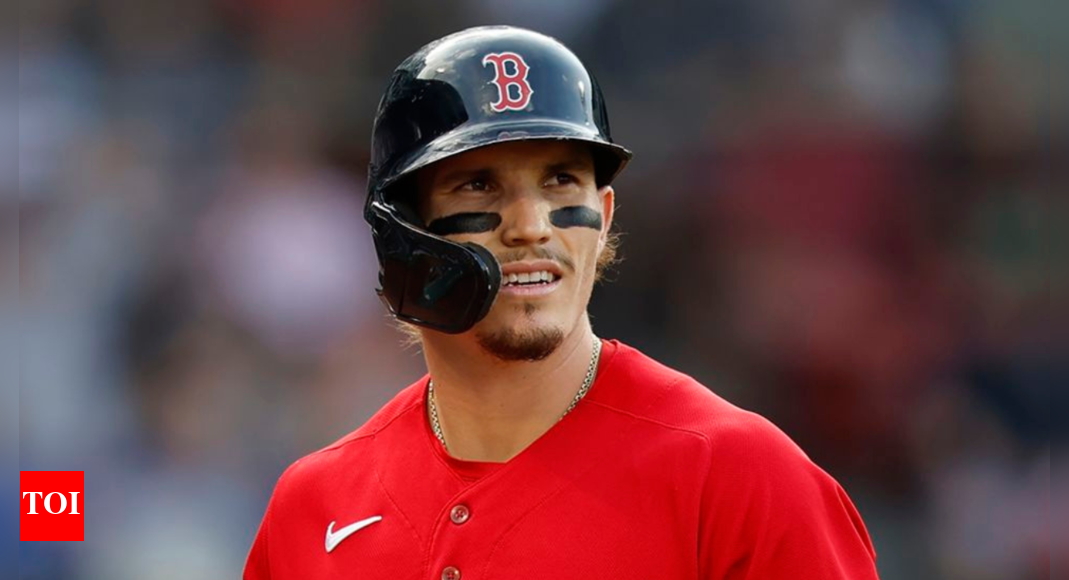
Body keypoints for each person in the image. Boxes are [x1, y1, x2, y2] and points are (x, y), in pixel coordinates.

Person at [244, 25, 880, 579]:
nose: (531, 225)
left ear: (604, 215)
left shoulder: (742, 479)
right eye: (477, 184)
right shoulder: (316, 505)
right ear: (401, 234)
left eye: (560, 180)